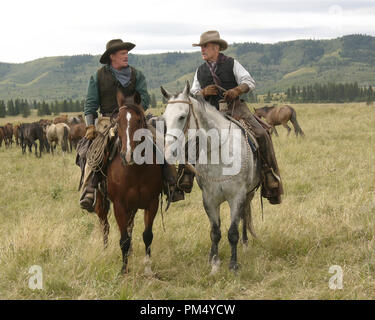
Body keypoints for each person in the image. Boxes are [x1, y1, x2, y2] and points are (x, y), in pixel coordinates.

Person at [79, 39, 184, 213]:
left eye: (126, 52)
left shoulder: (137, 75)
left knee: (160, 141)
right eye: (122, 53)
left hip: (135, 118)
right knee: (94, 150)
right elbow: (90, 105)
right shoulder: (98, 76)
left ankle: (171, 184)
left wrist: (136, 114)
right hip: (107, 120)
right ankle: (89, 189)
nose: (126, 55)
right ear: (112, 56)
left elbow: (145, 98)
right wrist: (90, 126)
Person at [189, 30, 283, 204]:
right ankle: (185, 177)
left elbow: (249, 81)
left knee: (261, 134)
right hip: (211, 112)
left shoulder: (232, 63)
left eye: (205, 47)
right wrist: (202, 92)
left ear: (216, 48)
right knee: (191, 139)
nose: (202, 50)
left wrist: (237, 90)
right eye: (201, 47)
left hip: (235, 108)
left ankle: (269, 175)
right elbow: (192, 91)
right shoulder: (200, 70)